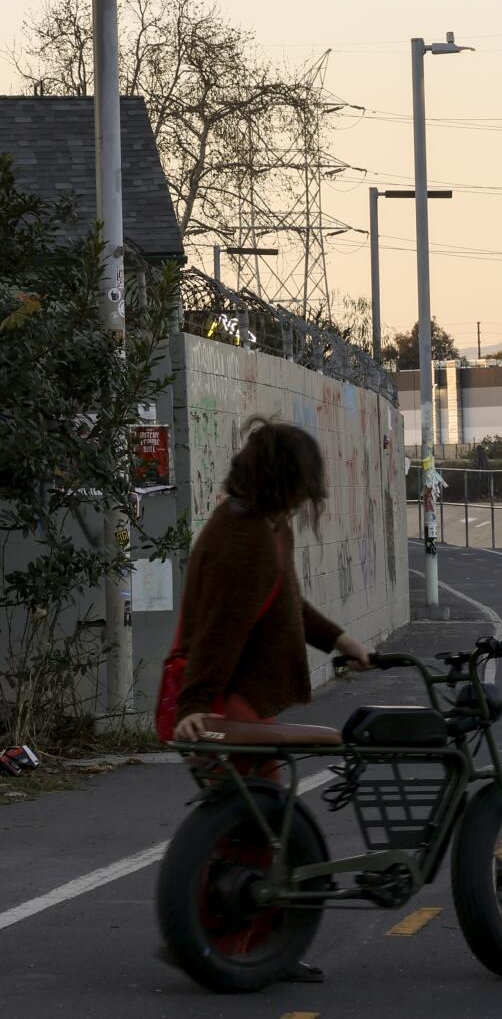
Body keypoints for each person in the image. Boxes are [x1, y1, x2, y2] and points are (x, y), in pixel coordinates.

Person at [168, 420, 371, 983]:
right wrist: (196, 705)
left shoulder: (262, 526)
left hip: (223, 694)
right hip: (217, 697)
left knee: (254, 820)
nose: (312, 496)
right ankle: (237, 941)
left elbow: (288, 606)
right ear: (287, 481)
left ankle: (232, 938)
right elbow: (220, 628)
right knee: (262, 820)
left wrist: (339, 640)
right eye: (306, 483)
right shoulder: (247, 538)